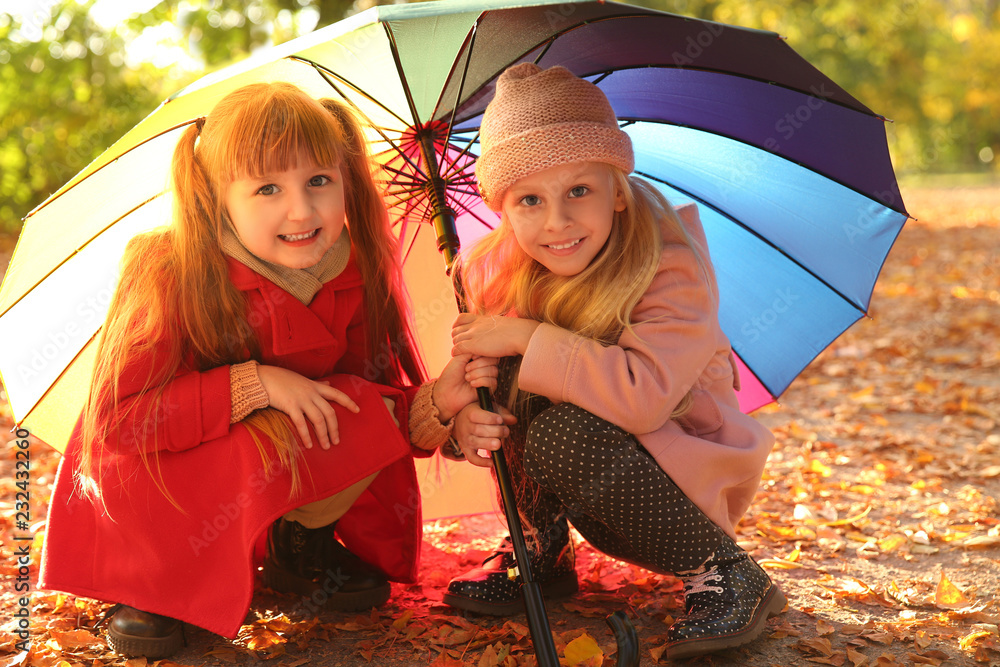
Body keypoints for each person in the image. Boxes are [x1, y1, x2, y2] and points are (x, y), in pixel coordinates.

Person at [38, 82, 493, 659]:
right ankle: (157, 584)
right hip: (163, 474)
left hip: (264, 460)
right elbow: (123, 424)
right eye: (268, 188)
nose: (301, 210)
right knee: (238, 448)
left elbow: (368, 397)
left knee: (356, 407)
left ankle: (299, 540)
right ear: (214, 197)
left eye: (318, 182)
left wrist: (438, 405)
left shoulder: (351, 266)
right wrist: (255, 383)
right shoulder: (167, 267)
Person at [442, 63, 785, 660]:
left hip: (671, 491)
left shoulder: (668, 270)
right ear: (504, 210)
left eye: (579, 190)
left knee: (558, 427)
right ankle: (540, 550)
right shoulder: (500, 280)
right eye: (529, 199)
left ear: (618, 190)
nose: (557, 221)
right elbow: (467, 408)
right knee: (509, 380)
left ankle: (726, 570)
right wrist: (465, 420)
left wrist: (526, 335)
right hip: (589, 487)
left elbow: (642, 396)